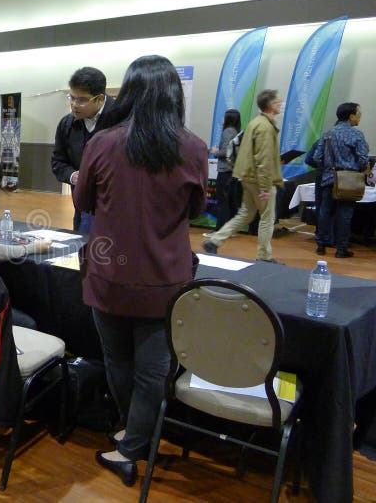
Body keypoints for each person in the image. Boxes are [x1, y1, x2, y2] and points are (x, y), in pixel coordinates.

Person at [74, 55, 207, 486]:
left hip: (109, 273)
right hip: (165, 278)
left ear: (127, 93)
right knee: (154, 369)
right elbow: (197, 209)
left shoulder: (103, 143)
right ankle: (135, 440)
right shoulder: (192, 148)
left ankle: (129, 439)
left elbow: (83, 202)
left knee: (117, 359)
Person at [203, 89, 284, 263]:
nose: (280, 104)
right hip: (260, 181)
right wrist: (265, 187)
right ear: (270, 105)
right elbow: (262, 158)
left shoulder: (255, 123)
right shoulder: (265, 127)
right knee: (267, 218)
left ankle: (214, 241)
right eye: (278, 102)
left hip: (248, 177)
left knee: (246, 214)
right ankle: (264, 256)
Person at [51, 66, 114, 233]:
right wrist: (73, 176)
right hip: (81, 205)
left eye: (82, 100)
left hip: (114, 208)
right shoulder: (66, 124)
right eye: (72, 98)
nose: (74, 105)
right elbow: (58, 162)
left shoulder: (120, 119)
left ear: (100, 99)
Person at [312, 102, 370, 258]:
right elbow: (363, 159)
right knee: (345, 214)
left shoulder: (327, 134)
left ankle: (321, 245)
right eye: (358, 114)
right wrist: (355, 168)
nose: (360, 116)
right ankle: (341, 248)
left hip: (328, 177)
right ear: (351, 116)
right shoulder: (356, 134)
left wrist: (329, 167)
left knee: (325, 211)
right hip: (348, 180)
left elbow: (317, 157)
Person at [208, 109, 242, 232]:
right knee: (231, 201)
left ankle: (219, 229)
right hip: (232, 170)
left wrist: (215, 152)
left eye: (224, 116)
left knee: (222, 200)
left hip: (225, 170)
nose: (222, 119)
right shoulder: (235, 131)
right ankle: (230, 229)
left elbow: (225, 152)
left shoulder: (227, 132)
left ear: (229, 118)